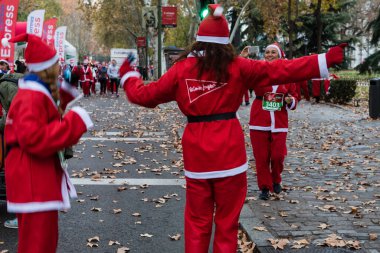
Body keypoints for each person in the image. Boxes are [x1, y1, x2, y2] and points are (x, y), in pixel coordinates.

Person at [118, 4, 346, 252]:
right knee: (227, 223)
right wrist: (325, 60)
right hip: (230, 155)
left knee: (197, 222)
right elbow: (283, 69)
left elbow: (145, 95)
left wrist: (128, 77)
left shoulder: (180, 70)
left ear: (198, 40)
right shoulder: (239, 66)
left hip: (197, 157)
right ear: (225, 40)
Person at [4, 33, 93, 253]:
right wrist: (75, 122)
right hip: (34, 182)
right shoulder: (32, 96)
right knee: (38, 245)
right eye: (56, 63)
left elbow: (46, 114)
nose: (59, 67)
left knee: (38, 243)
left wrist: (65, 94)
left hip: (33, 180)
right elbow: (34, 138)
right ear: (48, 67)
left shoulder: (33, 92)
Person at [241, 42, 299, 200]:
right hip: (259, 119)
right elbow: (242, 75)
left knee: (277, 156)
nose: (270, 55)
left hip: (279, 121)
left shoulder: (288, 75)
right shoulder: (258, 70)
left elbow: (295, 97)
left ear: (280, 55)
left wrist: (290, 101)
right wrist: (243, 58)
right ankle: (265, 188)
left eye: (273, 52)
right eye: (267, 52)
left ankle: (276, 179)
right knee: (261, 157)